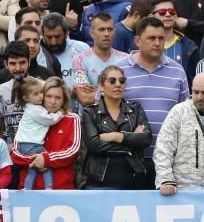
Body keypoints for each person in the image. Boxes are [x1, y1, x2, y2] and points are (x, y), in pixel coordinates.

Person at [116, 17, 189, 159]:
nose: (157, 43)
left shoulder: (178, 71)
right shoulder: (119, 69)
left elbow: (186, 116)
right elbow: (103, 109)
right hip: (127, 157)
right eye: (151, 38)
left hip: (168, 158)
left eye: (161, 38)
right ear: (137, 41)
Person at [81, 65, 153, 189]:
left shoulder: (135, 108)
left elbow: (146, 139)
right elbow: (94, 145)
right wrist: (131, 143)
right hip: (99, 182)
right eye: (112, 81)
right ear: (102, 86)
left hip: (133, 180)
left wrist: (115, 136)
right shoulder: (90, 112)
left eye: (122, 80)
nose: (118, 84)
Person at [10, 77, 63, 190]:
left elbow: (48, 84)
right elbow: (49, 119)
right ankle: (49, 187)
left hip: (25, 144)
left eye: (41, 92)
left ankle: (27, 188)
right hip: (30, 145)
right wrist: (60, 113)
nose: (41, 96)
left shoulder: (32, 107)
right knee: (46, 160)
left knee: (32, 169)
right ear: (25, 97)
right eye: (36, 94)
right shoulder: (34, 110)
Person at [72, 13, 128, 108]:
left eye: (110, 29)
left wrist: (98, 91)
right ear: (91, 33)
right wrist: (115, 91)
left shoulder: (125, 59)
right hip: (91, 119)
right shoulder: (80, 60)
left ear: (114, 31)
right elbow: (84, 98)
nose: (106, 34)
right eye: (101, 30)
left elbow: (130, 95)